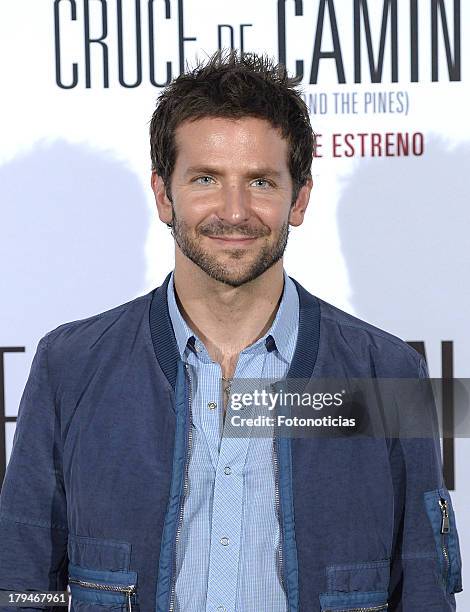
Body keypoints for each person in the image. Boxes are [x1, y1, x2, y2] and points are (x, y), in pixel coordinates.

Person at [0, 51, 462, 612]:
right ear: (163, 194)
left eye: (262, 182)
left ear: (301, 198)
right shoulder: (69, 364)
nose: (235, 211)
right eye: (205, 179)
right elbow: (23, 580)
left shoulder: (385, 372)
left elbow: (422, 588)